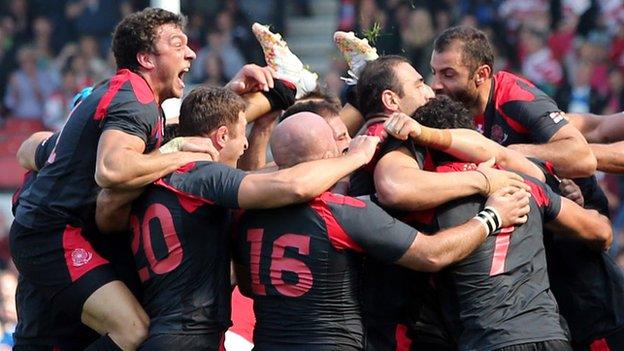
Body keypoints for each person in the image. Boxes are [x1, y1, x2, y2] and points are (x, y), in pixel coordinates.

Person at [9, 8, 275, 351]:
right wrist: (180, 153)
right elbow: (112, 169)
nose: (191, 51)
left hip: (61, 237)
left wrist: (229, 97)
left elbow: (38, 150)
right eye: (177, 43)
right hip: (54, 236)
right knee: (132, 331)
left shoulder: (127, 103)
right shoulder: (133, 98)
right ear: (146, 58)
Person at [101, 87, 382, 350]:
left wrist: (265, 127)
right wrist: (357, 157)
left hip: (165, 328)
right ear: (222, 137)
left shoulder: (153, 179)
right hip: (191, 335)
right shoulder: (203, 175)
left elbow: (263, 177)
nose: (245, 144)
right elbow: (291, 185)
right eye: (241, 134)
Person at [232, 111, 530, 351]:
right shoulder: (343, 213)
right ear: (328, 155)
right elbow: (432, 255)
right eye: (338, 143)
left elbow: (246, 286)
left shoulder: (245, 214)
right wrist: (492, 217)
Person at [386, 96, 619, 351]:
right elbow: (602, 232)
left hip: (488, 340)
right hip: (550, 335)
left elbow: (424, 252)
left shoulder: (423, 202)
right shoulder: (526, 183)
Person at [429, 25, 596, 179]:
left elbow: (583, 158)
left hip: (575, 205)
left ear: (481, 74)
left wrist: (511, 154)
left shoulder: (517, 98)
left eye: (448, 74)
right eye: (434, 72)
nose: (435, 84)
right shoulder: (447, 107)